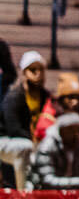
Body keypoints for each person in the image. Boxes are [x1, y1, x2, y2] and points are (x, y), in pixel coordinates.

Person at [0, 51, 47, 187]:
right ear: (24, 72)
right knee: (26, 147)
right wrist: (35, 142)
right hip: (6, 140)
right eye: (33, 70)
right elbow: (13, 129)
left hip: (33, 142)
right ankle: (23, 192)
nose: (38, 73)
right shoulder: (14, 97)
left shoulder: (46, 96)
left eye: (41, 70)